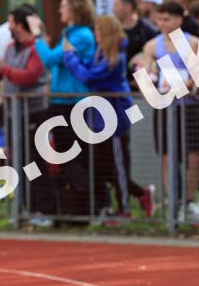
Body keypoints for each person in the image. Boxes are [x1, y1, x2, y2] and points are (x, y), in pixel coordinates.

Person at [63, 16, 153, 221]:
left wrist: (70, 57)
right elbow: (87, 67)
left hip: (115, 117)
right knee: (105, 165)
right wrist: (75, 56)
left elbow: (89, 76)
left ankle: (125, 208)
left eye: (98, 31)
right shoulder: (101, 54)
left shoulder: (115, 57)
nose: (96, 35)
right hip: (100, 117)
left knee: (118, 163)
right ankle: (136, 195)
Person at [27, 0, 96, 223]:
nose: (60, 10)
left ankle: (86, 208)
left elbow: (48, 59)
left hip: (73, 103)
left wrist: (37, 36)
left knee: (74, 157)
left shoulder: (82, 35)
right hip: (60, 101)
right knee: (63, 157)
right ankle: (73, 209)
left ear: (75, 8)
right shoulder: (69, 34)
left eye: (64, 6)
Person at [0, 6, 48, 215]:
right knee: (19, 161)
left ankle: (40, 209)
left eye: (12, 23)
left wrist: (1, 68)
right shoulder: (10, 48)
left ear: (23, 24)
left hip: (33, 113)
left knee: (35, 162)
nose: (10, 28)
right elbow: (8, 75)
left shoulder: (37, 48)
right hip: (13, 114)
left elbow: (29, 76)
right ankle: (23, 208)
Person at [140, 0, 199, 217]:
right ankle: (172, 202)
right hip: (165, 107)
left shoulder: (193, 43)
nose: (162, 23)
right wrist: (151, 85)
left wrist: (181, 87)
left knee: (194, 156)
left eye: (167, 19)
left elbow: (198, 77)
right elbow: (146, 74)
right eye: (159, 19)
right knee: (167, 155)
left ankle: (187, 201)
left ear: (179, 20)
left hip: (189, 106)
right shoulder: (152, 45)